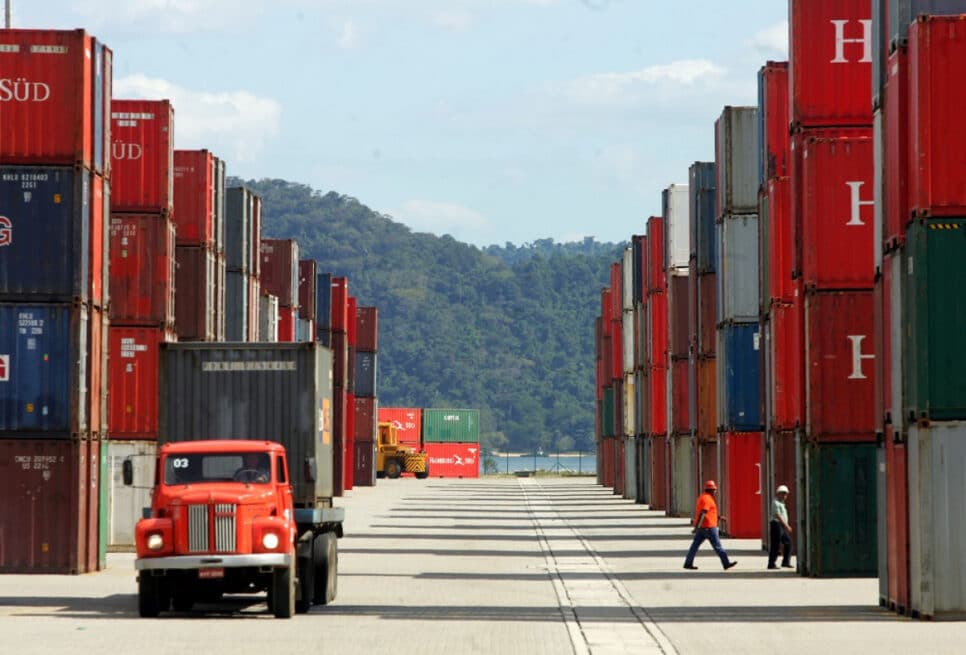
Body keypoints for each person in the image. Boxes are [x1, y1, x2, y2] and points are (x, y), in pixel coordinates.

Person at [683, 480, 738, 571]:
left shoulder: (702, 497)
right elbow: (703, 513)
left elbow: (708, 513)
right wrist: (696, 527)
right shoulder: (708, 499)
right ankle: (726, 563)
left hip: (703, 527)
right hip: (709, 527)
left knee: (694, 546)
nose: (715, 492)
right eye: (714, 490)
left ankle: (688, 563)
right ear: (711, 490)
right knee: (717, 546)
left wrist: (719, 517)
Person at [768, 484, 793, 569]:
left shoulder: (782, 503)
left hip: (781, 526)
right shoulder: (775, 503)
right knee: (775, 544)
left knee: (788, 543)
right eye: (782, 493)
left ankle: (785, 562)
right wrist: (787, 526)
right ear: (778, 494)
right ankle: (771, 563)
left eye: (785, 494)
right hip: (776, 525)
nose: (784, 495)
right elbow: (778, 515)